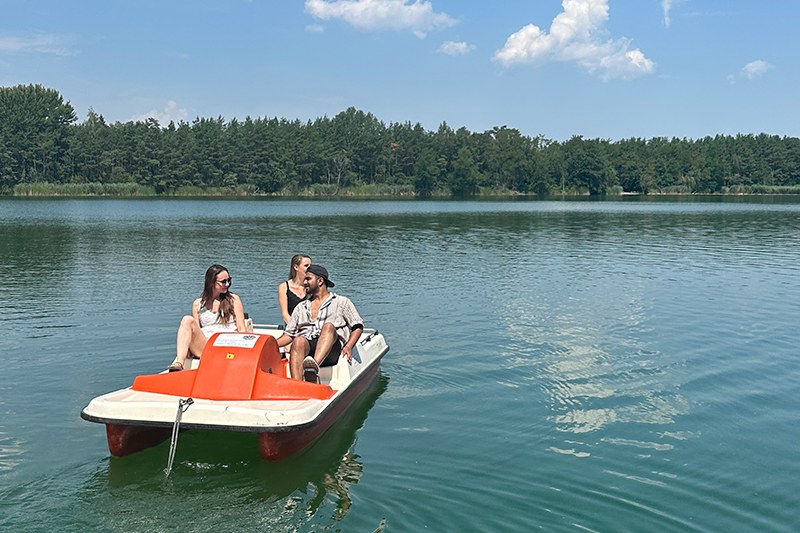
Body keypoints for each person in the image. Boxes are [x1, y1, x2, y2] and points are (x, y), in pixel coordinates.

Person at [277, 265, 364, 382]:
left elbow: (357, 326)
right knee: (298, 341)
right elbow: (289, 335)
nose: (304, 282)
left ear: (320, 281)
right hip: (307, 348)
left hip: (331, 350)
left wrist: (349, 346)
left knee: (328, 327)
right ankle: (298, 384)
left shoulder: (341, 302)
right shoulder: (301, 307)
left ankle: (313, 368)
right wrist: (270, 343)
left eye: (308, 279)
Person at [168, 264, 247, 371]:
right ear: (211, 282)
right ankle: (179, 363)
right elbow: (196, 330)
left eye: (229, 280)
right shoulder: (198, 304)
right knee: (187, 320)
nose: (227, 284)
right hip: (206, 346)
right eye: (223, 281)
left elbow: (242, 329)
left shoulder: (233, 299)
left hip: (228, 346)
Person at [277, 254, 311, 324]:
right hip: (291, 327)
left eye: (311, 266)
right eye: (306, 266)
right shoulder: (284, 287)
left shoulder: (312, 286)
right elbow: (285, 314)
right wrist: (296, 328)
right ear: (296, 267)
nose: (310, 268)